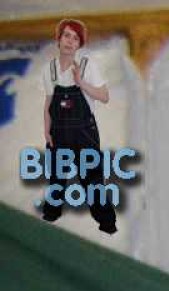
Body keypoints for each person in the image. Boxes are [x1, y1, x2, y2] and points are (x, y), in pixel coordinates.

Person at [41, 18, 117, 235]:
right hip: (58, 131)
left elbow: (104, 96)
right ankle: (51, 216)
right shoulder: (50, 70)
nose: (70, 41)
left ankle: (107, 224)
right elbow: (48, 103)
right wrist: (46, 131)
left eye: (75, 38)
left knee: (92, 180)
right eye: (66, 35)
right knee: (56, 177)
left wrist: (80, 82)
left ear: (79, 44)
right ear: (59, 38)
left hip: (84, 132)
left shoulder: (87, 65)